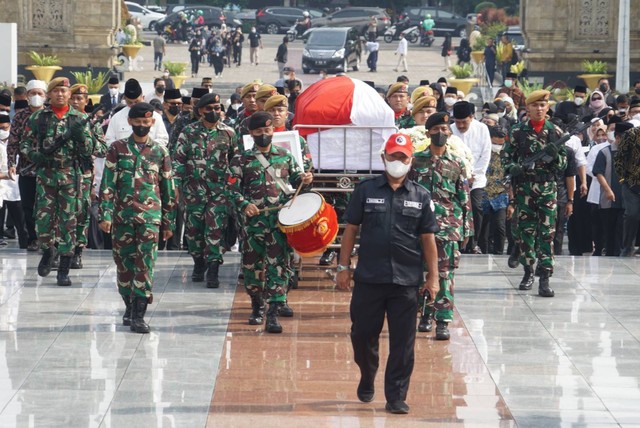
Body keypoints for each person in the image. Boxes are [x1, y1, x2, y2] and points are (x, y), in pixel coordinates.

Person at [336, 132, 439, 414]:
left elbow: (428, 238)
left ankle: (396, 396)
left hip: (405, 281)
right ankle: (368, 374)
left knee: (403, 343)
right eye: (393, 156)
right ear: (384, 158)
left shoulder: (421, 195)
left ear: (411, 161)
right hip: (369, 278)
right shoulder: (366, 190)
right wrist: (343, 267)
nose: (398, 161)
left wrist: (434, 277)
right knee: (362, 335)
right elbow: (351, 230)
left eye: (403, 157)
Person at [227, 111, 313, 333]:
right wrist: (245, 204)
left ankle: (273, 313)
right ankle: (257, 305)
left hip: (278, 223)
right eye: (259, 132)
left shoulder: (285, 156)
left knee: (279, 267)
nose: (263, 134)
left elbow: (297, 181)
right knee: (252, 268)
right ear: (251, 133)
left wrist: (306, 180)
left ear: (272, 131)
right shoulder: (241, 159)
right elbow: (231, 189)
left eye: (267, 130)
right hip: (252, 225)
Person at [99, 102, 175, 334]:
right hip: (122, 217)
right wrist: (105, 214)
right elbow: (107, 184)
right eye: (138, 122)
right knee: (124, 265)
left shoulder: (160, 152)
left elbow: (168, 187)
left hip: (150, 219)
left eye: (146, 122)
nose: (142, 126)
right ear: (130, 122)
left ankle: (139, 315)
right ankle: (129, 306)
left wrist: (168, 221)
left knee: (145, 265)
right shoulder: (117, 149)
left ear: (152, 123)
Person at [19, 77, 93, 286]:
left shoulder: (78, 118)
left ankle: (64, 269)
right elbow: (24, 144)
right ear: (49, 94)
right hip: (46, 177)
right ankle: (48, 250)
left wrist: (81, 137)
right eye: (56, 91)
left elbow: (89, 151)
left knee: (68, 222)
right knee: (42, 221)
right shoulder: (39, 118)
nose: (60, 94)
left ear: (69, 94)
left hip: (70, 177)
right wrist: (35, 156)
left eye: (64, 91)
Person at [409, 113, 473, 339]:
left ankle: (443, 320)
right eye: (435, 129)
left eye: (444, 129)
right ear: (427, 133)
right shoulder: (415, 161)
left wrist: (466, 229)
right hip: (419, 227)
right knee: (420, 272)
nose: (440, 133)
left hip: (448, 227)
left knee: (445, 275)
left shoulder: (456, 162)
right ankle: (425, 315)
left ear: (450, 132)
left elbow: (464, 198)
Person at [502, 90, 567, 297]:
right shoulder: (517, 131)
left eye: (543, 105)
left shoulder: (556, 132)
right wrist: (512, 167)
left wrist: (556, 157)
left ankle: (545, 278)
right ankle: (528, 271)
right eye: (535, 105)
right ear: (527, 108)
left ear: (547, 108)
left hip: (547, 189)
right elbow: (506, 157)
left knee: (547, 233)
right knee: (526, 233)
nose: (539, 109)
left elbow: (564, 164)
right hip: (525, 190)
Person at [173, 93, 237, 288]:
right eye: (209, 109)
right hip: (193, 191)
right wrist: (176, 186)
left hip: (219, 192)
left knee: (215, 230)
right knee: (193, 232)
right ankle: (199, 263)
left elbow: (236, 162)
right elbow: (179, 161)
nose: (213, 112)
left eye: (217, 108)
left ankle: (214, 269)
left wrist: (233, 187)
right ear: (200, 111)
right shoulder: (188, 132)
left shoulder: (228, 133)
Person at [68, 83, 108, 269]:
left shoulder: (91, 123)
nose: (76, 101)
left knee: (81, 213)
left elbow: (102, 149)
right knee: (59, 215)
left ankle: (77, 251)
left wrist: (86, 139)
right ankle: (57, 251)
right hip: (61, 174)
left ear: (86, 101)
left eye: (80, 98)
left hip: (83, 175)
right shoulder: (59, 120)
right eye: (73, 97)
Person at [6, 79, 47, 251]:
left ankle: (47, 238)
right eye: (33, 93)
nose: (36, 97)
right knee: (28, 206)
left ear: (45, 96)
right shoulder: (20, 116)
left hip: (47, 170)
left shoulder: (50, 115)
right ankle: (33, 238)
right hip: (25, 169)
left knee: (46, 206)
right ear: (27, 96)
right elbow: (13, 141)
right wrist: (11, 163)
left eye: (40, 93)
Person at [451, 101, 491, 254]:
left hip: (476, 179)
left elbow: (485, 154)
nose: (460, 126)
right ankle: (458, 240)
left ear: (472, 117)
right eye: (457, 122)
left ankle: (473, 243)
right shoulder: (450, 130)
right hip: (455, 178)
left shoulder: (482, 129)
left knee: (476, 207)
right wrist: (461, 176)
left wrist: (474, 175)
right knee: (457, 208)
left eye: (464, 122)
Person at [593, 122, 632, 256]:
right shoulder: (605, 152)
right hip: (609, 200)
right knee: (609, 233)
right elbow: (598, 173)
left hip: (628, 200)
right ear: (618, 137)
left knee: (623, 232)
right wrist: (608, 190)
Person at [479, 126, 509, 255]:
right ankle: (482, 251)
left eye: (500, 144)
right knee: (483, 228)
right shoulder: (482, 151)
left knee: (500, 226)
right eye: (494, 143)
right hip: (483, 193)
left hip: (500, 195)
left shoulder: (507, 154)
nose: (497, 146)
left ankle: (499, 252)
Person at [0, 114, 28, 248]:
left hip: (14, 186)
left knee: (21, 221)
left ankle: (26, 243)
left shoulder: (17, 142)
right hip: (1, 183)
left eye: (5, 128)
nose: (3, 131)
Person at [614, 122, 640, 257]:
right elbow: (619, 157)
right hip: (631, 184)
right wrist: (622, 178)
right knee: (632, 215)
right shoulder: (631, 134)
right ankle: (627, 246)